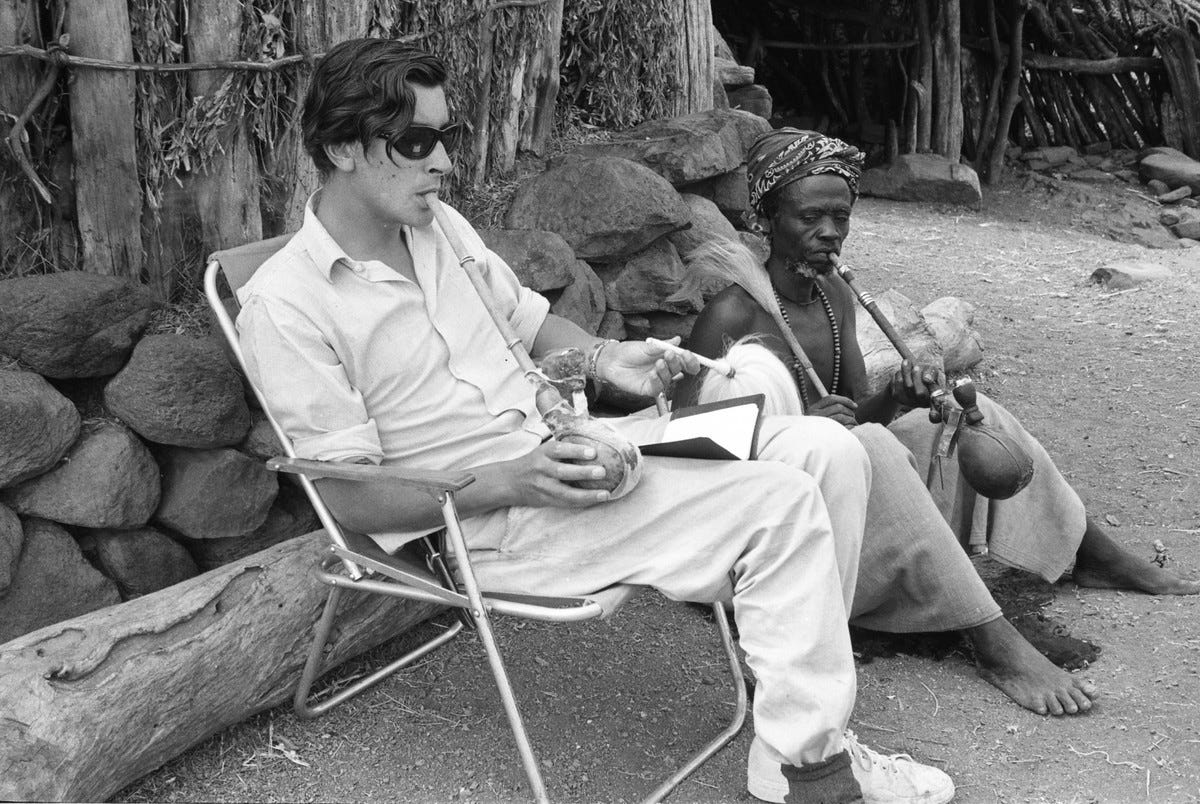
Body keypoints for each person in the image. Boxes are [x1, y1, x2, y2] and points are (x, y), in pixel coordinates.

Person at [235, 38, 954, 804]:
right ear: (343, 146)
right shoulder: (287, 306)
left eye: (449, 138)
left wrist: (610, 360)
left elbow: (537, 326)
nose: (443, 162)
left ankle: (802, 731)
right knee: (780, 507)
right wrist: (515, 478)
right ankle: (810, 770)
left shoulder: (440, 230)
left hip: (570, 456)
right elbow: (350, 499)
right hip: (485, 521)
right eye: (416, 142)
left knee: (827, 448)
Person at [676, 127, 1200, 719]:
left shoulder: (834, 299)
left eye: (840, 216)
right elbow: (703, 468)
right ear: (766, 218)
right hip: (785, 544)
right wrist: (799, 432)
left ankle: (1089, 550)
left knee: (970, 413)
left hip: (848, 490)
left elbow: (856, 423)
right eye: (809, 217)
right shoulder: (733, 312)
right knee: (871, 444)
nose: (829, 233)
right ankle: (992, 640)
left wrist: (896, 399)